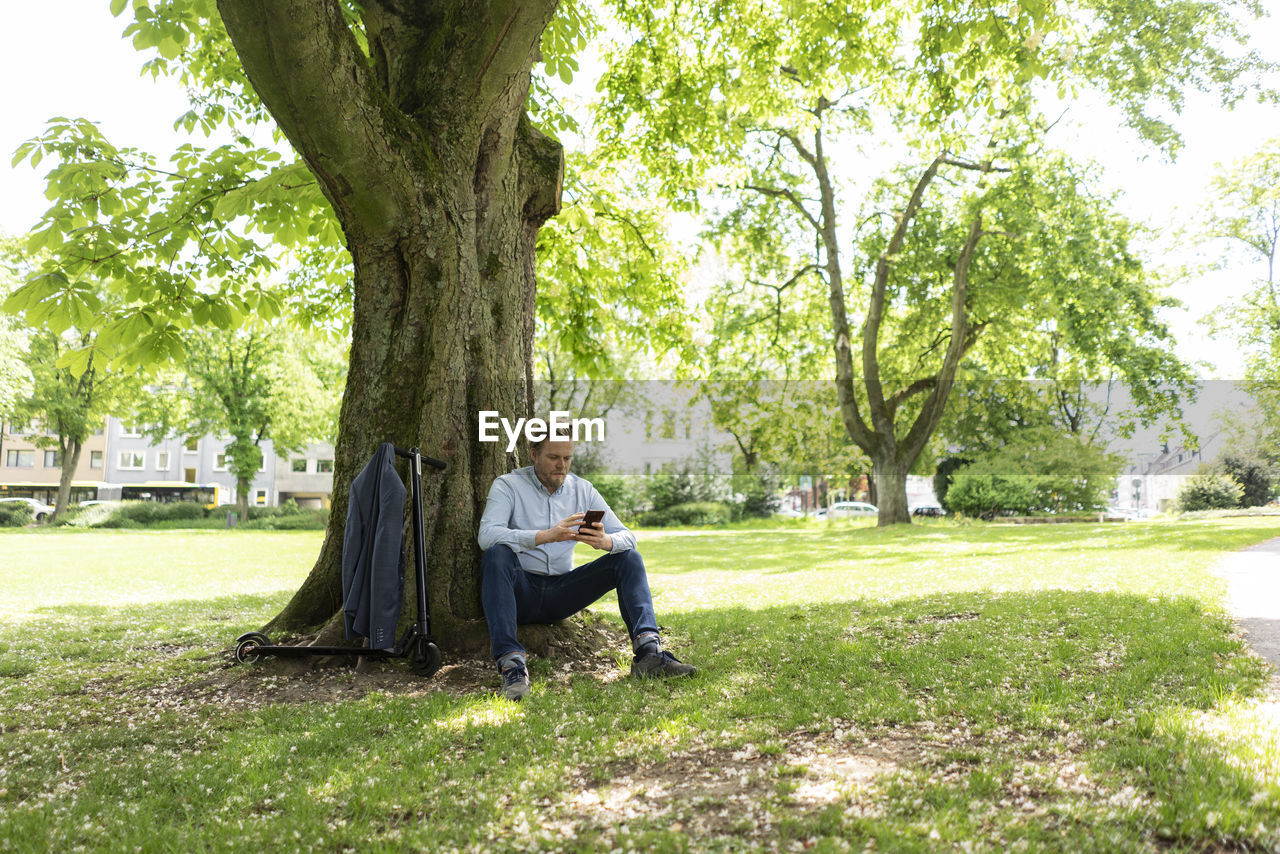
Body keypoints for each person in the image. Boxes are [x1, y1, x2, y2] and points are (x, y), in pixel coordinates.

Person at [478, 438, 695, 700]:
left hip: (562, 592)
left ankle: (649, 654)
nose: (562, 465)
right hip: (518, 590)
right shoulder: (508, 485)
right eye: (554, 457)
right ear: (534, 455)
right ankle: (512, 667)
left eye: (567, 458)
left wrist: (606, 541)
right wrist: (544, 536)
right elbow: (487, 535)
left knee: (629, 558)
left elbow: (628, 537)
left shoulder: (583, 490)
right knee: (497, 553)